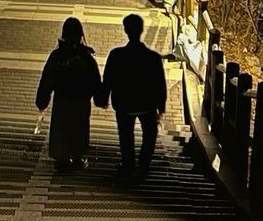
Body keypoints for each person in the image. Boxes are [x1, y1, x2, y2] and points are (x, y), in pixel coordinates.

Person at [101, 13, 167, 181]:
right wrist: (161, 104)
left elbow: (108, 79)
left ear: (126, 30)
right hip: (147, 104)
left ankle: (128, 166)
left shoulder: (116, 55)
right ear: (141, 30)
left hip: (124, 104)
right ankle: (144, 165)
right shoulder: (152, 58)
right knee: (149, 135)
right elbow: (160, 82)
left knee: (125, 136)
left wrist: (103, 98)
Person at [35, 17, 102, 173]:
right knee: (79, 127)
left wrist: (42, 101)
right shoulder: (86, 57)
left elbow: (48, 78)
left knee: (62, 127)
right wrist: (100, 98)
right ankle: (77, 156)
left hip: (63, 99)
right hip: (81, 101)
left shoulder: (57, 56)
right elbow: (95, 80)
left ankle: (62, 158)